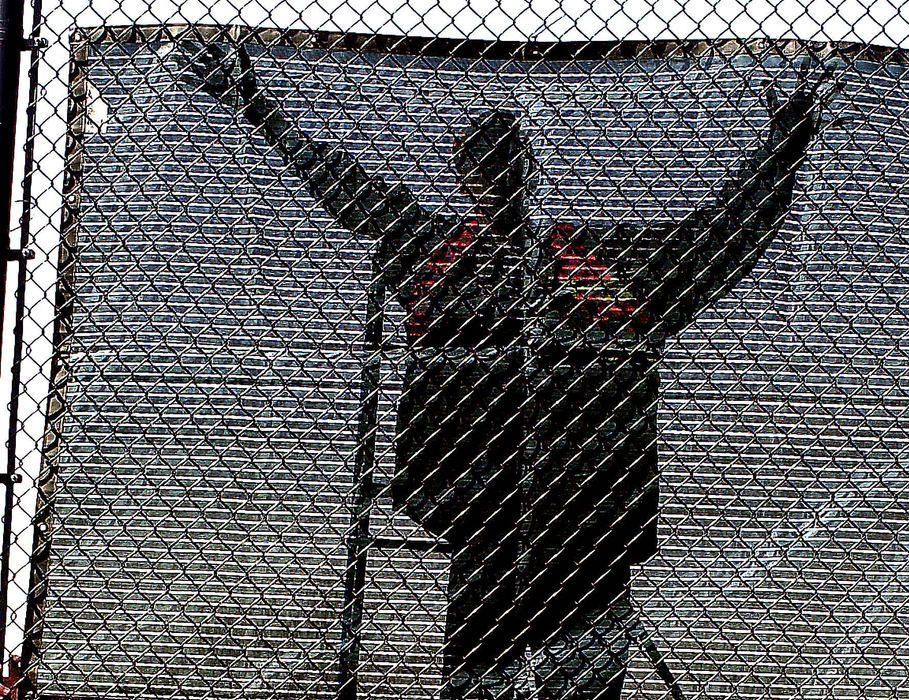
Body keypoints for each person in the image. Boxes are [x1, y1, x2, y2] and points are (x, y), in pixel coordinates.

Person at [176, 41, 833, 699]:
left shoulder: (587, 261)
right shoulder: (444, 255)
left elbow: (715, 240)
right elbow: (345, 187)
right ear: (472, 179)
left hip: (585, 507)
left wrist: (785, 143)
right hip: (490, 503)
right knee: (490, 674)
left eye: (504, 161)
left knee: (565, 671)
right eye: (484, 164)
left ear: (524, 171)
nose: (496, 180)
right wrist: (255, 106)